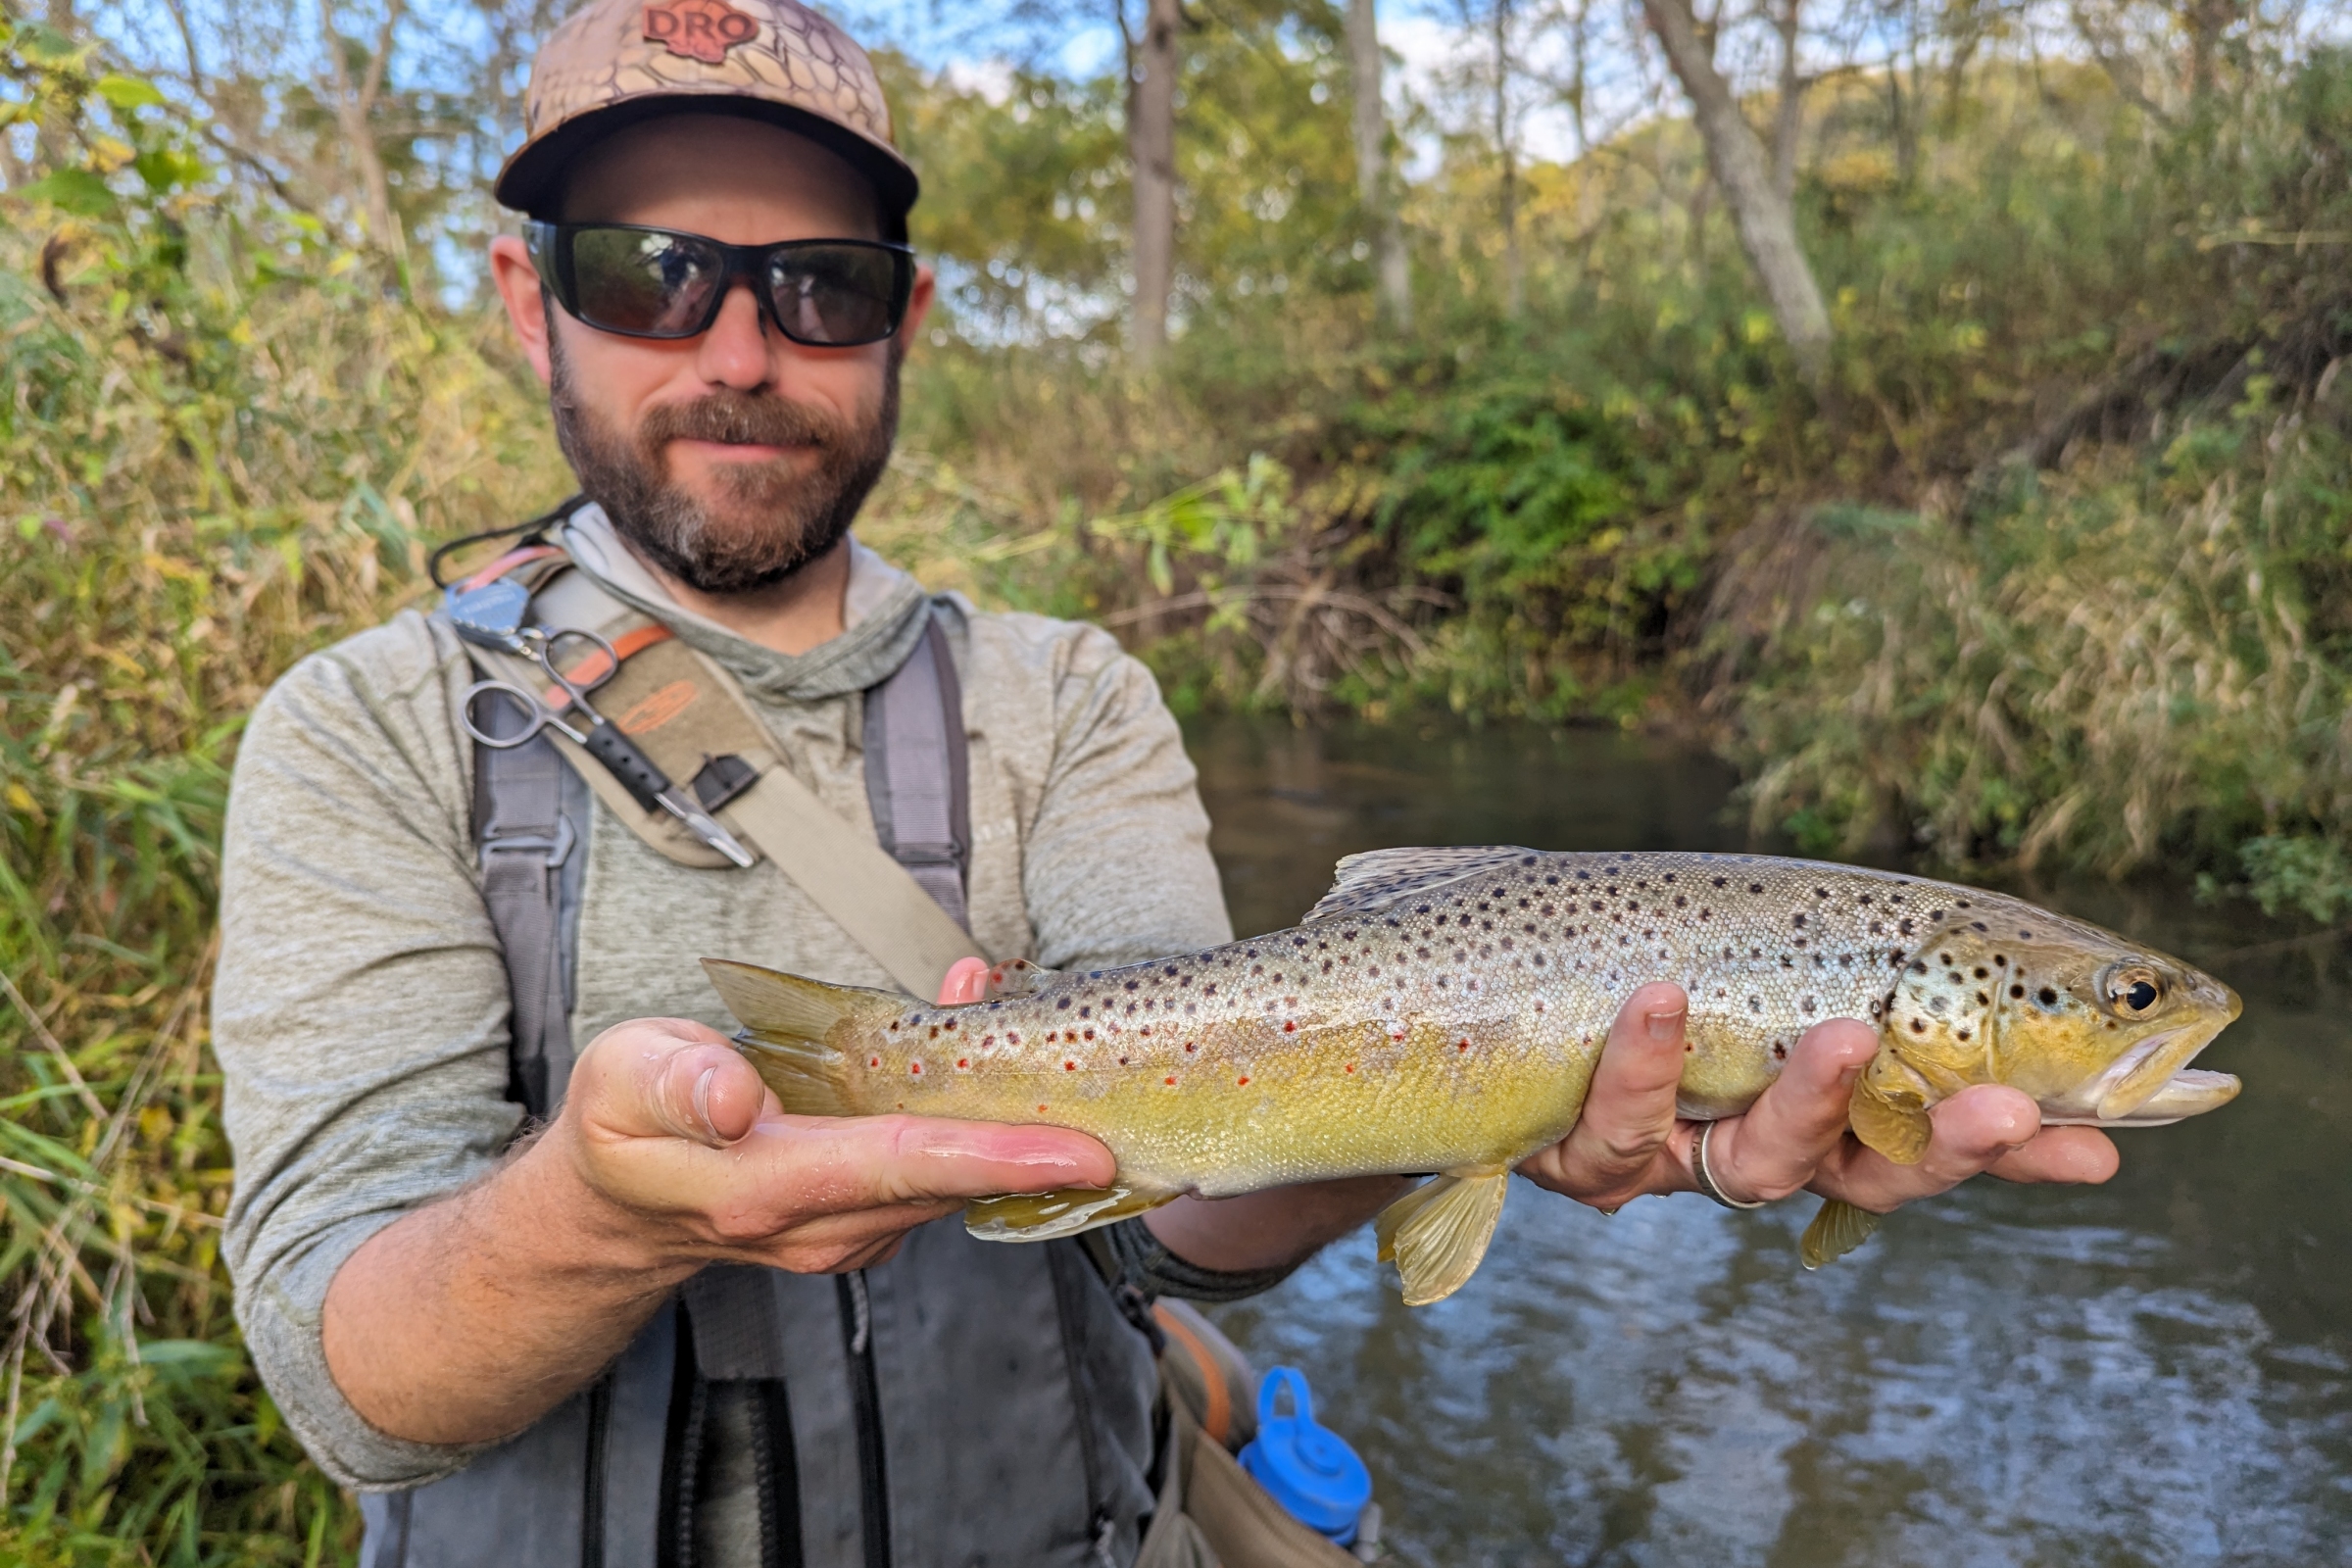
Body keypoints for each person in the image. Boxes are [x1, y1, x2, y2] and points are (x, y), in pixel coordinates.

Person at [211, 2, 2121, 1563]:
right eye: (653, 273)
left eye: (819, 285)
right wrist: (609, 1210)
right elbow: (343, 1374)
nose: (737, 348)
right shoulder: (364, 730)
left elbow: (1176, 1216)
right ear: (527, 296)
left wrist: (1483, 1082)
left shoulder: (1072, 695)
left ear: (906, 316)